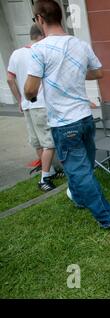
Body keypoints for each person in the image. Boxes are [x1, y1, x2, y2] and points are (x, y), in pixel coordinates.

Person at [24, 0, 110, 229]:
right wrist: (73, 75)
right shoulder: (79, 44)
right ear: (61, 17)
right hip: (85, 119)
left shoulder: (39, 50)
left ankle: (107, 217)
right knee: (82, 168)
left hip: (64, 124)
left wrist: (32, 96)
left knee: (80, 172)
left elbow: (29, 89)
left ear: (40, 20)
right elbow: (98, 72)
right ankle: (78, 199)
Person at [7, 24, 64, 192]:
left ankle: (51, 171)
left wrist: (19, 100)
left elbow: (10, 79)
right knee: (50, 143)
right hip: (41, 104)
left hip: (27, 105)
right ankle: (44, 178)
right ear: (42, 35)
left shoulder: (16, 54)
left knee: (38, 142)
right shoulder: (40, 51)